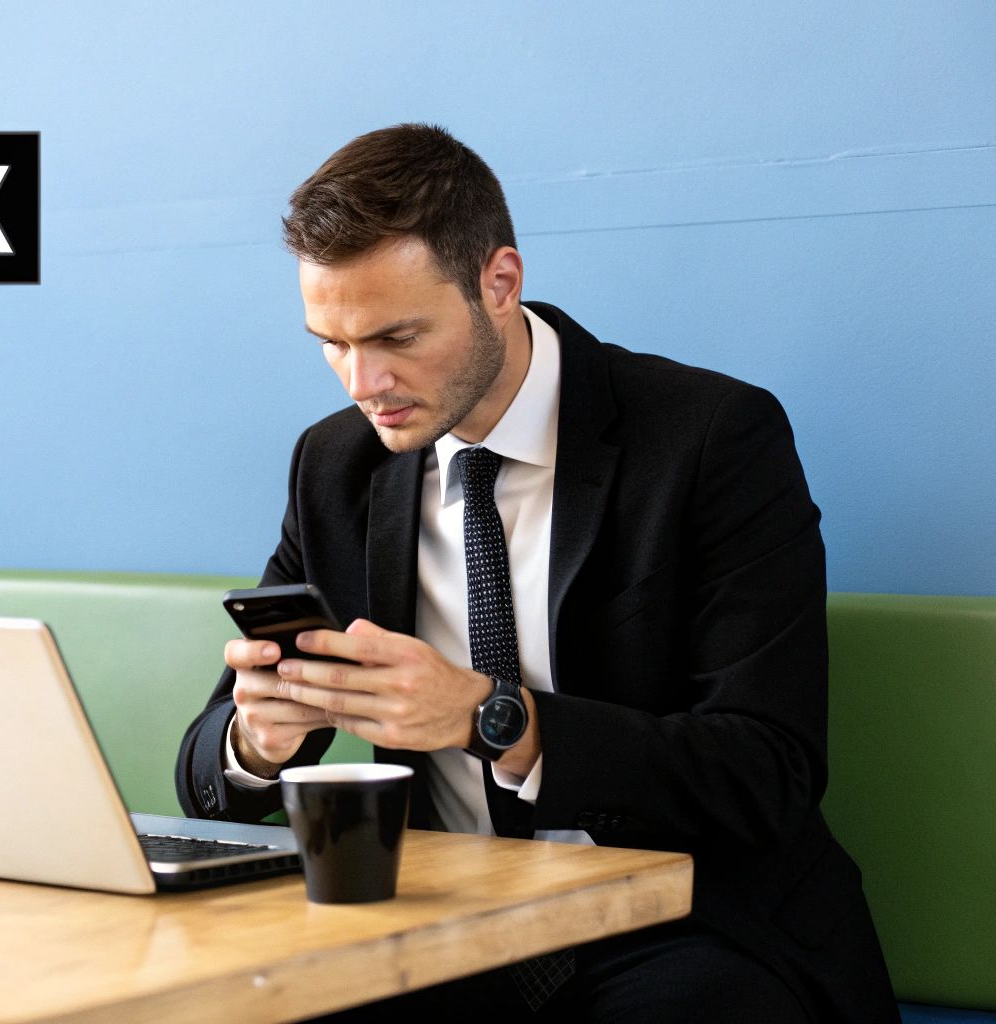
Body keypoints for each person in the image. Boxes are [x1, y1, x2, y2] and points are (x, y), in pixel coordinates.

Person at [173, 124, 898, 1022]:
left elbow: (766, 770)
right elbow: (206, 772)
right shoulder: (337, 467)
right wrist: (259, 741)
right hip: (437, 928)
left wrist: (493, 720)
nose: (364, 382)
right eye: (330, 341)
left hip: (682, 922)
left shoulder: (710, 438)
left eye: (397, 335)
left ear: (500, 283)